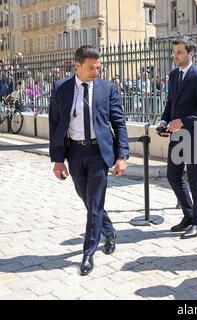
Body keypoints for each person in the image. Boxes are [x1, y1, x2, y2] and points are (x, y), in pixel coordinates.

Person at [49, 45, 129, 276]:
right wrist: (57, 160)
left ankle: (88, 253)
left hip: (99, 153)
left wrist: (121, 156)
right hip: (74, 152)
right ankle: (110, 231)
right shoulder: (61, 88)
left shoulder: (107, 88)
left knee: (93, 204)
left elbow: (119, 123)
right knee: (88, 200)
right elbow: (55, 124)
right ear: (78, 66)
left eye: (98, 67)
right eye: (91, 67)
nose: (96, 71)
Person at [158, 37, 197, 239]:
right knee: (173, 176)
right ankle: (189, 215)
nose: (175, 55)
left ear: (191, 53)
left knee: (196, 180)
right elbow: (170, 103)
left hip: (196, 134)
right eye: (174, 52)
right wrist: (164, 122)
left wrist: (182, 121)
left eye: (179, 52)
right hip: (177, 134)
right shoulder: (173, 75)